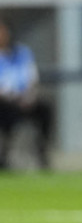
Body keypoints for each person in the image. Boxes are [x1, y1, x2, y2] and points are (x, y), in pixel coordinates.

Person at [0, 16, 52, 171]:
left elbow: (31, 77)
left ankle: (42, 153)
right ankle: (4, 157)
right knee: (6, 111)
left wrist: (29, 96)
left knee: (45, 108)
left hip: (24, 98)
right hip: (4, 100)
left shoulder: (22, 52)